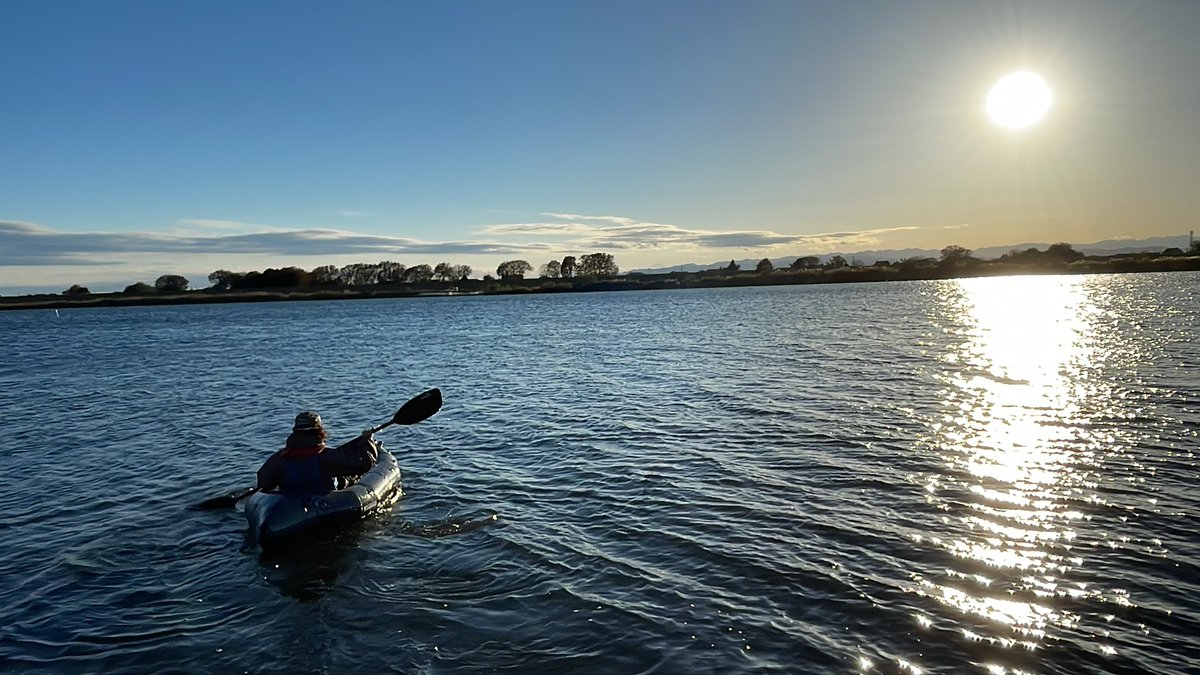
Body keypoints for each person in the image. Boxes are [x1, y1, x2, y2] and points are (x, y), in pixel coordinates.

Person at [256, 411, 379, 495]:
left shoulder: (279, 457)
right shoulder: (327, 457)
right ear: (319, 432)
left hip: (291, 503)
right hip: (323, 502)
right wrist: (366, 442)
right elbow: (363, 465)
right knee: (346, 477)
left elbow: (264, 481)